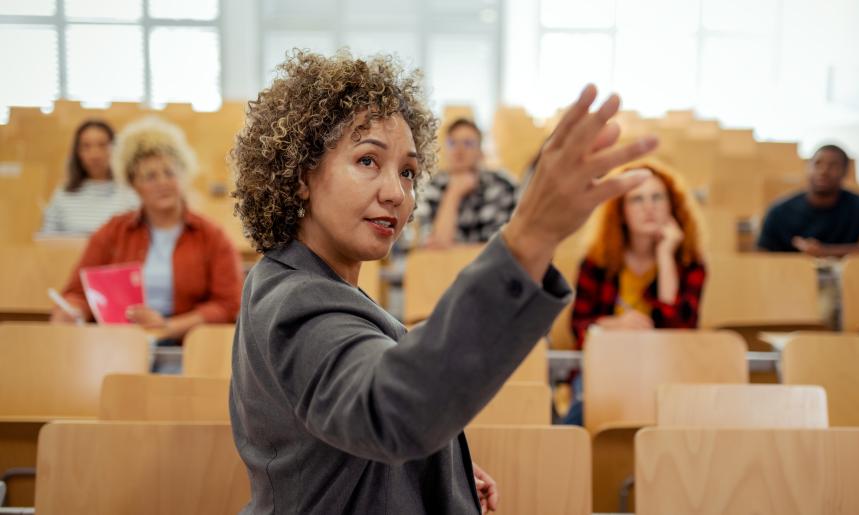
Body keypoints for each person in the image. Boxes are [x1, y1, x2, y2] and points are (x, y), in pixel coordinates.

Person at [228, 49, 656, 515]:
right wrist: (529, 236)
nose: (396, 192)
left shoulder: (311, 282)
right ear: (300, 176)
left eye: (408, 171)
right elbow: (389, 411)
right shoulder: (295, 300)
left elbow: (348, 436)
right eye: (368, 160)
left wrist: (438, 471)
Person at [50, 117, 243, 344]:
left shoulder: (212, 236)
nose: (162, 182)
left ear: (183, 175)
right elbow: (78, 292)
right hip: (121, 343)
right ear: (134, 185)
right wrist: (73, 311)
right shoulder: (112, 232)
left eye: (169, 173)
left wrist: (168, 327)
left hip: (186, 346)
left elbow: (228, 304)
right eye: (150, 176)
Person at [570, 158, 707, 349]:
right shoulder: (597, 261)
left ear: (672, 205)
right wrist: (614, 325)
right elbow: (578, 327)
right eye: (637, 199)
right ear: (621, 212)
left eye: (657, 197)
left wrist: (665, 256)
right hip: (608, 360)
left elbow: (679, 333)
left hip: (665, 363)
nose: (649, 207)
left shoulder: (691, 263)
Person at [757, 144, 859, 257]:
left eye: (833, 165)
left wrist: (825, 252)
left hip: (849, 280)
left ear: (845, 172)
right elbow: (762, 255)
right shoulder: (780, 211)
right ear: (807, 167)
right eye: (818, 163)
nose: (824, 171)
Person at [414, 118, 518, 247]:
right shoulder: (430, 187)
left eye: (468, 143)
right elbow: (435, 247)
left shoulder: (502, 186)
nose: (459, 150)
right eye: (452, 143)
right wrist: (453, 193)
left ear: (481, 151)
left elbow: (502, 248)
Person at [41, 119, 140, 234]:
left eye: (102, 145)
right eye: (86, 146)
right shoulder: (63, 194)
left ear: (115, 148)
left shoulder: (131, 193)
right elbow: (47, 240)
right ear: (78, 152)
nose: (95, 154)